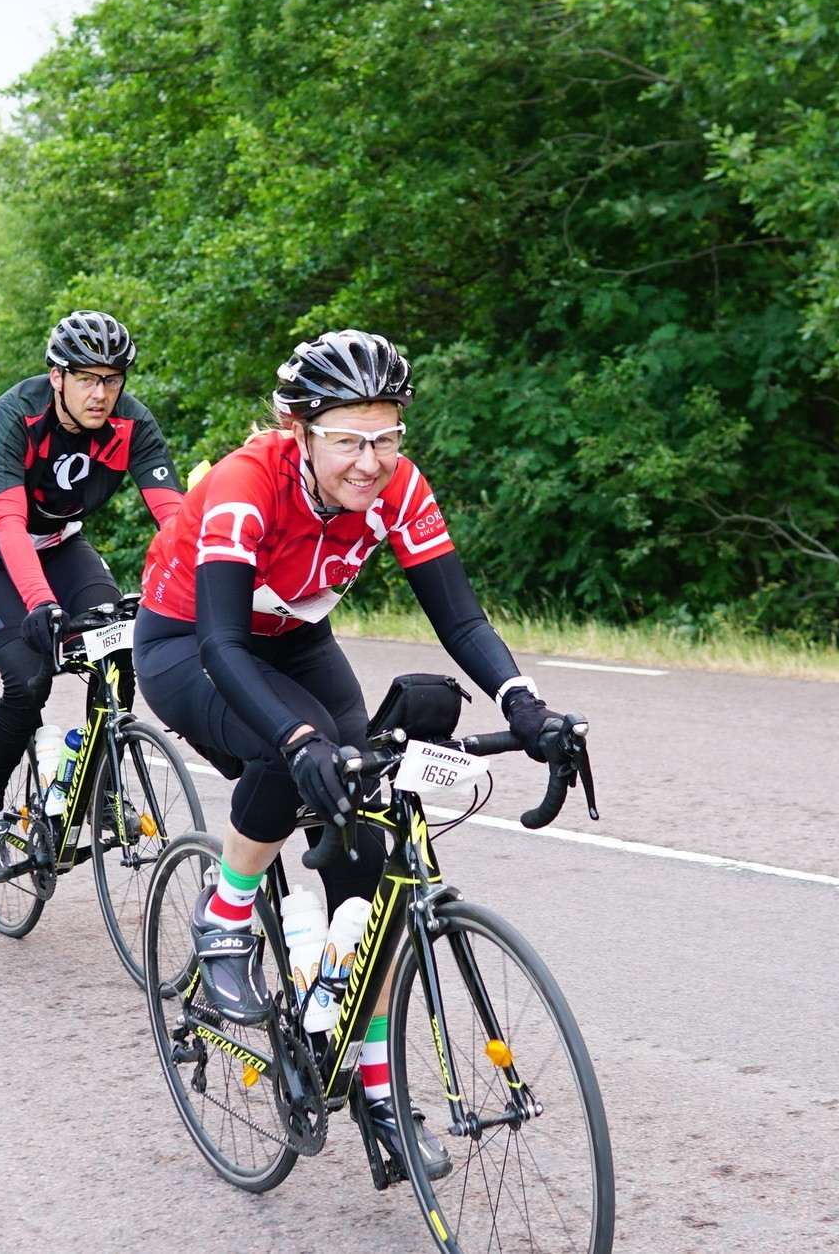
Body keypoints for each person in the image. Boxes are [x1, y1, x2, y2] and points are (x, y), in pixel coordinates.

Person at [133, 328, 577, 1180]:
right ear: (299, 431)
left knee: (368, 860)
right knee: (292, 751)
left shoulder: (400, 487)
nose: (370, 462)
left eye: (386, 437)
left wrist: (525, 705)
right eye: (347, 440)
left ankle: (376, 1092)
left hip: (299, 640)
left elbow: (461, 618)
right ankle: (225, 915)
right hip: (190, 643)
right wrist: (298, 740)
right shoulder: (245, 486)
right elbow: (224, 645)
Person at [0, 310, 184, 878]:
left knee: (117, 644)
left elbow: (175, 518)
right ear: (57, 377)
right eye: (86, 379)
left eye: (112, 379)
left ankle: (99, 785)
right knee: (30, 680)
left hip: (61, 543)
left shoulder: (133, 423)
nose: (100, 394)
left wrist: (195, 585)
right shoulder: (16, 414)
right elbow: (8, 522)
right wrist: (40, 602)